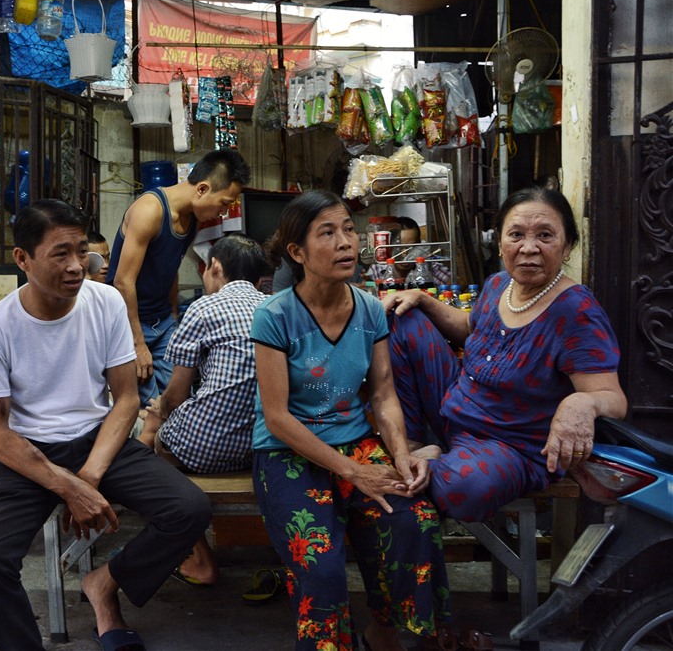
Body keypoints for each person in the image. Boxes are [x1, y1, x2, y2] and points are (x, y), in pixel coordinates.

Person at [0, 199, 212, 651]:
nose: (77, 266)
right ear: (23, 259)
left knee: (189, 509)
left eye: (83, 252)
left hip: (100, 441)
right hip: (28, 454)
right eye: (61, 254)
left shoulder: (106, 301)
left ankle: (105, 580)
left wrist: (90, 477)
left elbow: (125, 400)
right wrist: (67, 487)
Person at [253, 190, 449, 651]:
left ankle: (384, 629)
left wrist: (400, 458)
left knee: (414, 521)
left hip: (356, 441)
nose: (346, 243)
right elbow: (277, 417)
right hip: (288, 452)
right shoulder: (274, 316)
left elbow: (382, 393)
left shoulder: (367, 308)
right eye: (328, 233)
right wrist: (353, 472)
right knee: (319, 561)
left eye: (348, 230)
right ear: (297, 253)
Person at [382, 187, 627, 522]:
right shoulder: (501, 284)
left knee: (464, 490)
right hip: (455, 412)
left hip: (511, 447)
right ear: (500, 243)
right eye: (516, 235)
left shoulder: (576, 311)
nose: (529, 248)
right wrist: (423, 300)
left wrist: (582, 403)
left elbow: (613, 398)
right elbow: (471, 328)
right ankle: (413, 447)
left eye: (545, 235)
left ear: (567, 245)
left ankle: (437, 463)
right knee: (402, 317)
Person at [137, 233, 269, 586]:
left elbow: (176, 395)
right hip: (261, 449)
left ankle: (199, 557)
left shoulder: (205, 308)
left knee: (151, 431)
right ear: (258, 280)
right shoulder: (275, 308)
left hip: (204, 449)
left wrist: (157, 414)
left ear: (215, 268)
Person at [106, 150, 251, 406]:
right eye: (225, 203)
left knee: (174, 401)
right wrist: (137, 344)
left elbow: (169, 265)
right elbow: (123, 281)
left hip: (162, 321)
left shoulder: (193, 218)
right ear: (203, 189)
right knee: (145, 405)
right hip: (128, 324)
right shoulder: (149, 210)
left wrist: (173, 315)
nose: (223, 212)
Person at [366, 216, 451, 286]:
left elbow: (458, 283)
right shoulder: (378, 268)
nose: (404, 253)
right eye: (399, 247)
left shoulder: (430, 266)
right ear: (390, 246)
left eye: (411, 247)